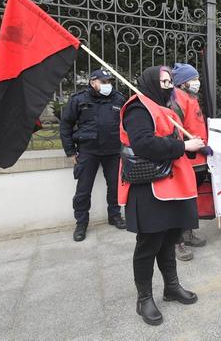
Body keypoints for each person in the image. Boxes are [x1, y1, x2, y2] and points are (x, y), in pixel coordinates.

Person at [119, 66, 205, 326]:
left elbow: (173, 143)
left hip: (173, 186)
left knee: (169, 239)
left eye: (171, 81)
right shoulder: (138, 108)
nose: (169, 86)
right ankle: (143, 298)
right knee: (149, 244)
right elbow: (143, 143)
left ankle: (171, 286)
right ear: (150, 83)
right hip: (150, 187)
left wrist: (193, 147)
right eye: (164, 82)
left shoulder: (166, 109)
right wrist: (183, 146)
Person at [59, 69, 127, 242]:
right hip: (88, 151)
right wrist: (70, 151)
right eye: (103, 82)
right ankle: (81, 223)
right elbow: (66, 125)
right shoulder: (79, 99)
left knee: (114, 186)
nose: (107, 86)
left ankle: (115, 216)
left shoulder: (118, 99)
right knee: (83, 190)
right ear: (92, 82)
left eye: (109, 82)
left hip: (112, 151)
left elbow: (126, 124)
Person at [171, 63, 209, 261]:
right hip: (187, 158)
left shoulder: (191, 97)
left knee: (190, 201)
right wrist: (191, 145)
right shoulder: (176, 98)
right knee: (181, 202)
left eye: (196, 78)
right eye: (192, 79)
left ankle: (188, 233)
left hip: (198, 158)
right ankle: (178, 242)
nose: (197, 82)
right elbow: (175, 129)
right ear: (182, 82)